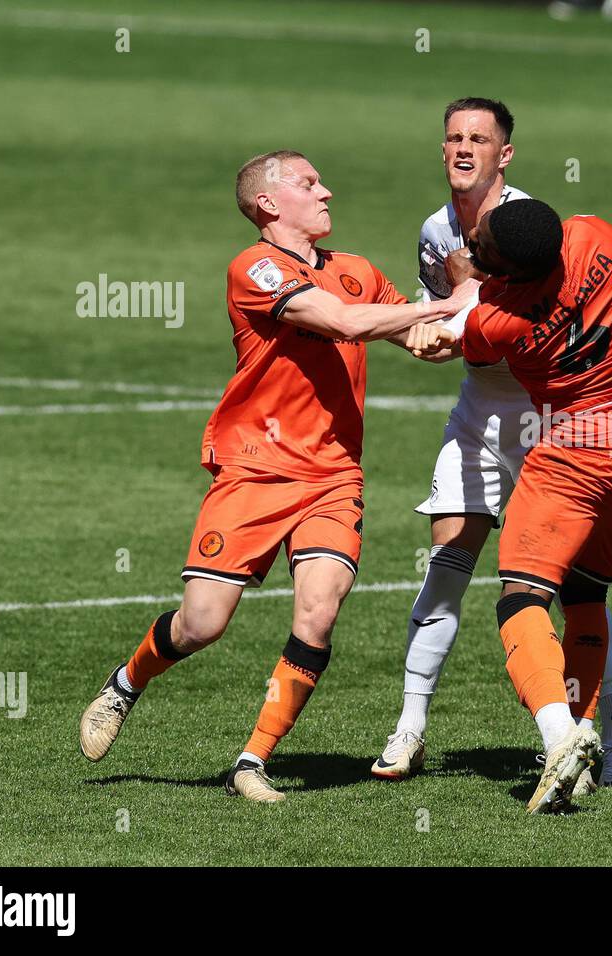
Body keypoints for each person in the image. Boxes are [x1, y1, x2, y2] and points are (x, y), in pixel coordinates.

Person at [77, 150, 475, 802]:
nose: (327, 191)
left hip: (333, 476)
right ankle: (127, 682)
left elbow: (425, 344)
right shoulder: (253, 267)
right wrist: (444, 301)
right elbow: (343, 323)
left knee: (319, 614)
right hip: (255, 472)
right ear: (268, 204)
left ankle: (250, 763)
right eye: (309, 183)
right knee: (202, 624)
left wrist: (472, 309)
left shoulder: (357, 271)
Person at [374, 99, 612, 792]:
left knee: (563, 590)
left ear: (505, 155)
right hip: (484, 415)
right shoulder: (439, 230)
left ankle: (609, 740)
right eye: (454, 137)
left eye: (479, 139)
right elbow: (444, 326)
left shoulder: (523, 230)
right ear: (441, 149)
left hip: (551, 426)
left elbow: (471, 319)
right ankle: (410, 727)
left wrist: (427, 308)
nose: (464, 149)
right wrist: (435, 319)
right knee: (447, 563)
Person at [416, 198, 612, 812]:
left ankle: (559, 736)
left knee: (521, 597)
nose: (468, 250)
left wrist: (447, 308)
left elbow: (461, 342)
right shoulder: (599, 235)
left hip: (575, 452)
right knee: (587, 596)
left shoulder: (499, 321)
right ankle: (588, 758)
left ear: (507, 273)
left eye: (480, 251)